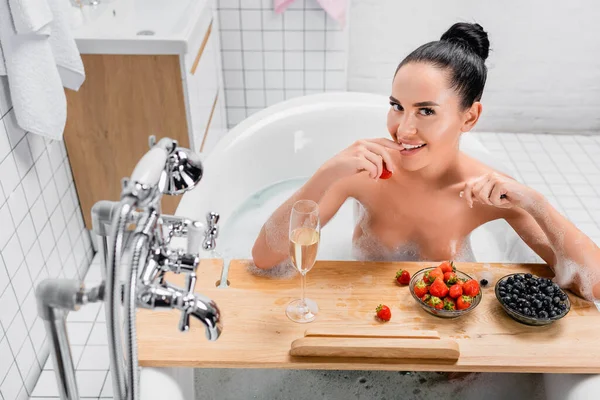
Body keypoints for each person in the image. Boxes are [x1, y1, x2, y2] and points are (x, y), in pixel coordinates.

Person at [251, 22, 600, 301]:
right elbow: (266, 258)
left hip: (444, 336)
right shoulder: (365, 169)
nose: (404, 128)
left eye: (426, 111)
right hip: (364, 313)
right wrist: (326, 172)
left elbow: (594, 285)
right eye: (396, 105)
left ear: (469, 118)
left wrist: (536, 203)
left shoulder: (489, 193)